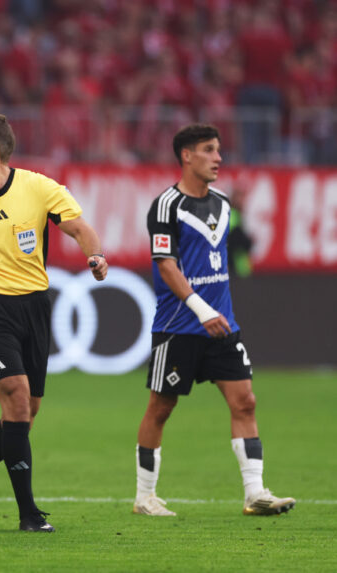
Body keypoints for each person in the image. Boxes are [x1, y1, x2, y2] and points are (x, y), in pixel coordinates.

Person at [0, 114, 108, 533]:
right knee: (15, 399)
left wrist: (96, 255)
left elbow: (79, 227)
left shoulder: (39, 187)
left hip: (35, 308)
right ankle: (28, 514)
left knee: (26, 413)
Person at [133, 123, 294, 517]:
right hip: (179, 326)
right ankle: (144, 497)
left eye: (219, 150)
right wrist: (202, 309)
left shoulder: (223, 203)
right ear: (187, 156)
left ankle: (254, 493)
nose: (218, 157)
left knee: (246, 401)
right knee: (161, 407)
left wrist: (216, 313)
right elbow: (166, 266)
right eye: (209, 150)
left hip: (222, 327)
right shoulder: (166, 206)